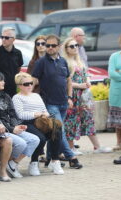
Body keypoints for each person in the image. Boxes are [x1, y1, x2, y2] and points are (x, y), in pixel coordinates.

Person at [32, 34, 82, 169]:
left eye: (53, 45)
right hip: (49, 103)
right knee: (60, 130)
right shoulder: (41, 62)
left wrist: (70, 97)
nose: (49, 48)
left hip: (63, 102)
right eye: (47, 45)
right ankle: (71, 156)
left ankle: (49, 158)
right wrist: (26, 94)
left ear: (59, 47)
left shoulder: (63, 61)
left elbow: (68, 80)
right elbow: (34, 80)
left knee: (54, 132)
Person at [0, 72, 40, 177]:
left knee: (35, 139)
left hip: (11, 127)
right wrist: (12, 129)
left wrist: (17, 126)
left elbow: (13, 114)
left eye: (3, 80)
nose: (3, 82)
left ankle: (13, 164)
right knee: (21, 143)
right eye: (0, 80)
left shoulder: (6, 96)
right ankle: (6, 166)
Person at [61, 37, 112, 154]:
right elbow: (64, 82)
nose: (75, 48)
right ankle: (70, 148)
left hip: (83, 98)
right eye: (72, 46)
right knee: (71, 122)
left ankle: (97, 146)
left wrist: (88, 80)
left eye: (76, 46)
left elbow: (86, 73)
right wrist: (80, 85)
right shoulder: (65, 63)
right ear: (66, 49)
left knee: (88, 120)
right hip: (72, 96)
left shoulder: (80, 61)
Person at [12, 72, 64, 175]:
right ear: (19, 86)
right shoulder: (17, 98)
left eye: (31, 83)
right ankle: (34, 162)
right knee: (41, 138)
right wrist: (35, 114)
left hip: (42, 121)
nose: (30, 86)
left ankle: (55, 161)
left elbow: (44, 109)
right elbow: (20, 115)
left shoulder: (36, 95)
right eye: (26, 84)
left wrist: (45, 114)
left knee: (57, 129)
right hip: (27, 123)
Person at [107, 34, 121, 155]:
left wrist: (120, 71)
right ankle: (118, 142)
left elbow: (117, 72)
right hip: (117, 93)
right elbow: (112, 73)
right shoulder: (114, 56)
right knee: (118, 121)